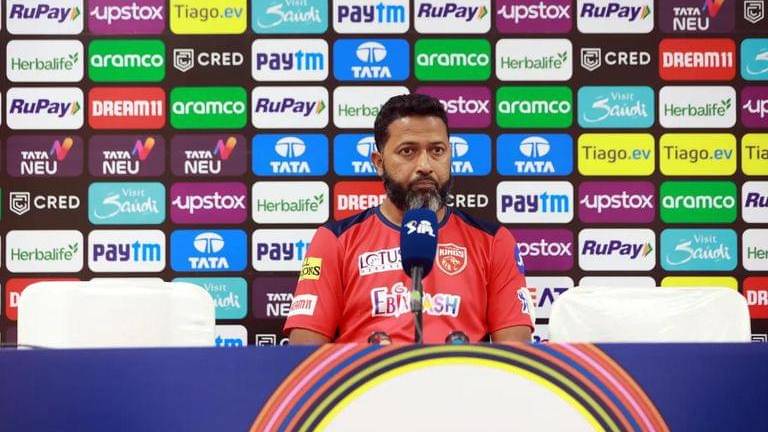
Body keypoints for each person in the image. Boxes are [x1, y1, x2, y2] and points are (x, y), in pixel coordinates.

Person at [284, 93, 534, 344]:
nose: (425, 165)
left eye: (437, 151)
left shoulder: (493, 241)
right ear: (378, 162)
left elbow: (516, 353)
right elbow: (304, 353)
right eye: (408, 151)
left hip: (460, 371)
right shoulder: (334, 240)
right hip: (367, 371)